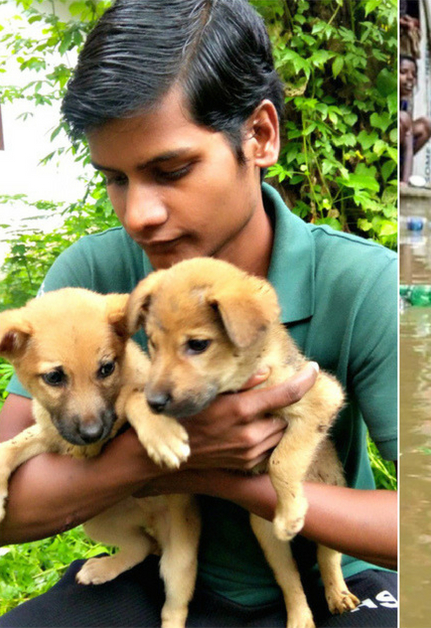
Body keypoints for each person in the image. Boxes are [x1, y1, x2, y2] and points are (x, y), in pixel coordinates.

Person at [0, 0, 399, 625]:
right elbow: (10, 510)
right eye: (116, 178)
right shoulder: (88, 289)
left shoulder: (363, 282)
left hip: (331, 572)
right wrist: (168, 460)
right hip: (161, 571)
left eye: (172, 170)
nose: (138, 215)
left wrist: (235, 481)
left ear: (259, 136)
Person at [399, 52, 431, 184]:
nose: (410, 78)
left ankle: (401, 172)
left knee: (426, 125)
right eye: (403, 72)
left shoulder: (405, 100)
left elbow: (409, 142)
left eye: (413, 74)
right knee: (403, 119)